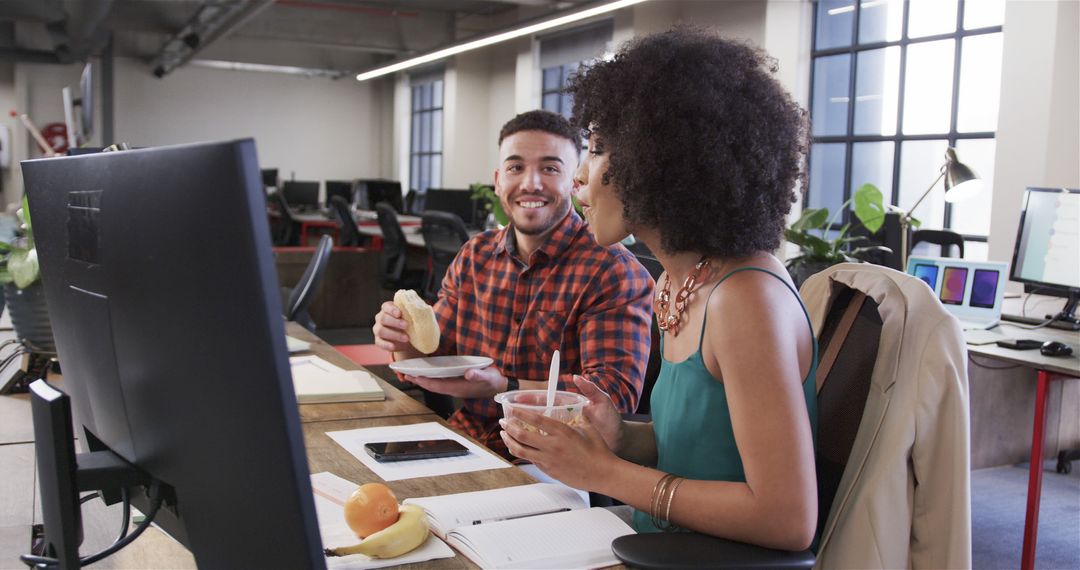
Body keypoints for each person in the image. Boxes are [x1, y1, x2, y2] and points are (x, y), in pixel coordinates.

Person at [499, 28, 819, 551]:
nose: (579, 177)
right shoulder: (675, 281)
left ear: (663, 161)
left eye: (598, 150)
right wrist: (621, 436)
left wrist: (603, 473)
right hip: (661, 547)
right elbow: (703, 450)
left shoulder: (745, 300)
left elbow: (787, 519)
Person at [373, 110, 654, 457]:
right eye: (515, 167)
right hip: (466, 442)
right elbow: (435, 355)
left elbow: (613, 396)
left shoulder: (612, 271)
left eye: (550, 168)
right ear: (498, 180)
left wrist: (507, 389)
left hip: (554, 461)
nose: (530, 183)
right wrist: (401, 338)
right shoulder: (475, 254)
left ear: (575, 182)